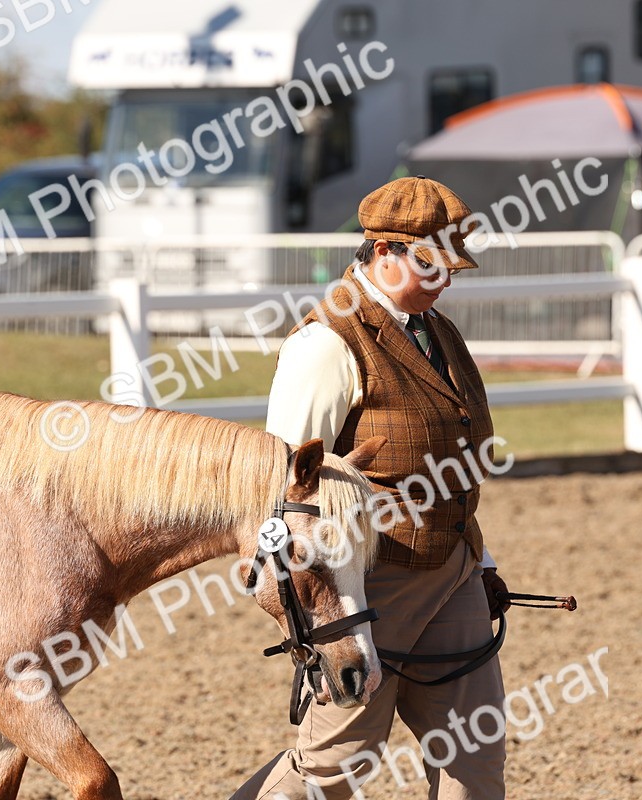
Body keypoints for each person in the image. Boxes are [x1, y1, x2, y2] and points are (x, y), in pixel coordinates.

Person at [232, 177, 511, 800]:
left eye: (451, 268)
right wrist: (308, 607)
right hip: (364, 588)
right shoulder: (326, 342)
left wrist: (481, 561)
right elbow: (284, 489)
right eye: (430, 265)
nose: (445, 280)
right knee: (334, 768)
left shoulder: (437, 332)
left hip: (454, 572)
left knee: (476, 759)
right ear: (383, 253)